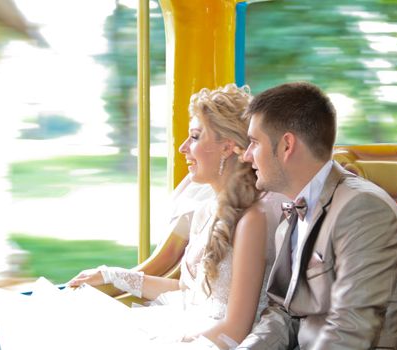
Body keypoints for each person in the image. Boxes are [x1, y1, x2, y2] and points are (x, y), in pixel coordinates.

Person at [67, 84, 285, 349]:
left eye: (194, 137)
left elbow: (236, 330)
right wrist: (112, 275)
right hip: (186, 323)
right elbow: (188, 295)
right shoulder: (205, 211)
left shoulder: (253, 221)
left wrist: (164, 341)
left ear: (227, 147)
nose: (183, 148)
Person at [238, 82, 397, 349]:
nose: (246, 156)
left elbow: (350, 331)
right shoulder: (291, 213)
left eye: (254, 143)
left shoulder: (363, 209)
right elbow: (284, 312)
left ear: (286, 146)